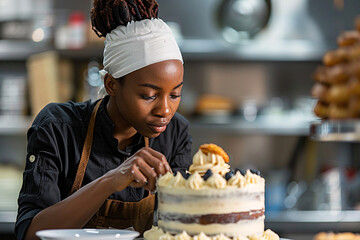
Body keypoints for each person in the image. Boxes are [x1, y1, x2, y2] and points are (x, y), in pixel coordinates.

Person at [15, 0, 192, 239]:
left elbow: (184, 225)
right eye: (149, 95)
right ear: (111, 84)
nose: (165, 110)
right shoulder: (58, 127)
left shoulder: (175, 132)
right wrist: (111, 180)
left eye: (175, 94)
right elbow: (31, 234)